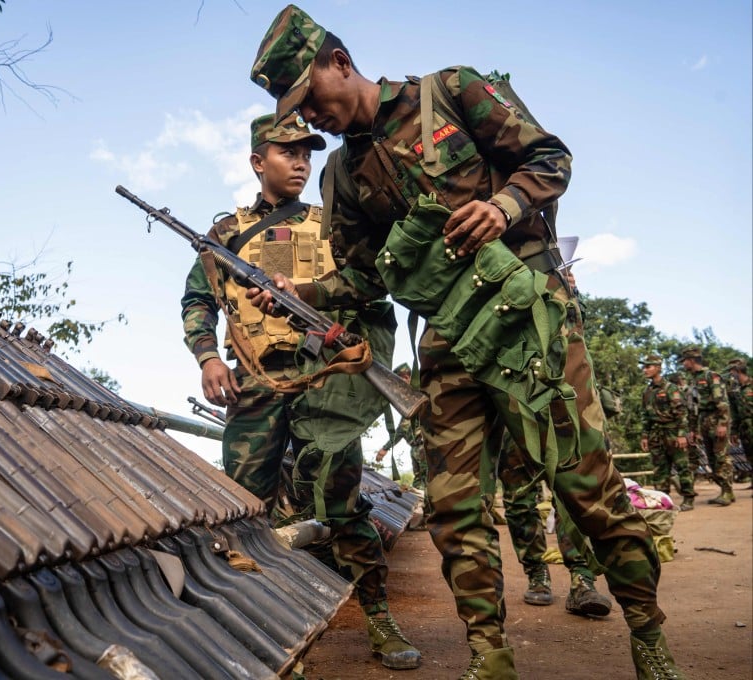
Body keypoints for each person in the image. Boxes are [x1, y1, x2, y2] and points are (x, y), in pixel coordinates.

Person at [247, 6, 685, 677]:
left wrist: (504, 205)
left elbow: (551, 157)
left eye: (310, 98)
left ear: (339, 62)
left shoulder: (451, 90)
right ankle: (490, 654)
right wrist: (297, 296)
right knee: (454, 510)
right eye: (295, 111)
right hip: (449, 342)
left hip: (528, 318)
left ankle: (648, 632)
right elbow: (365, 277)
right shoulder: (341, 176)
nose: (309, 117)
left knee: (585, 488)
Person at [179, 112, 422, 670]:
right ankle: (251, 627)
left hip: (324, 385)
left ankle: (379, 616)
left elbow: (370, 290)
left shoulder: (334, 225)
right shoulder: (224, 236)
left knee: (342, 499)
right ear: (257, 161)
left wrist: (315, 301)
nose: (300, 162)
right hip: (257, 386)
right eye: (286, 152)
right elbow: (198, 299)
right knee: (242, 511)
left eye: (307, 152)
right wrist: (208, 355)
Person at [497, 430, 613, 617]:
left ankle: (581, 578)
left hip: (561, 412)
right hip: (511, 413)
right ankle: (537, 573)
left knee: (573, 497)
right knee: (519, 501)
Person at [640, 353, 696, 511]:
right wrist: (645, 435)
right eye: (644, 367)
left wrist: (681, 434)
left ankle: (688, 498)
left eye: (648, 366)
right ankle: (662, 499)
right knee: (660, 468)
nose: (645, 370)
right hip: (655, 434)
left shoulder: (671, 389)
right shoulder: (647, 391)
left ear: (658, 368)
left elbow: (682, 413)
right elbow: (645, 415)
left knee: (682, 466)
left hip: (673, 432)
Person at [680, 346, 734, 505]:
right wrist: (692, 429)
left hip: (716, 419)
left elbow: (722, 402)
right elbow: (692, 407)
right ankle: (725, 491)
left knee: (721, 457)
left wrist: (723, 423)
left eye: (684, 361)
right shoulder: (692, 380)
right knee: (711, 459)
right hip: (703, 421)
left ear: (691, 360)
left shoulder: (712, 376)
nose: (683, 364)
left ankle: (728, 491)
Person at [373, 363, 427, 489]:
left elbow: (402, 429)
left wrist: (385, 449)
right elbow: (403, 429)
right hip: (415, 448)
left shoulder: (419, 395)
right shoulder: (409, 400)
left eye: (402, 379)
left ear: (408, 378)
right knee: (419, 484)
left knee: (427, 483)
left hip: (424, 446)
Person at [725, 357, 752, 487]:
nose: (730, 375)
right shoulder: (735, 391)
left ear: (737, 371)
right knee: (749, 454)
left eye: (731, 371)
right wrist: (734, 431)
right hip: (744, 427)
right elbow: (734, 413)